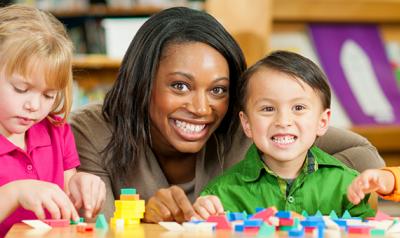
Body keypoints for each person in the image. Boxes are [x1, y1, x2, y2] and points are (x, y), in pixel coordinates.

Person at [70, 7, 383, 223]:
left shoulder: (251, 125)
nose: (201, 108)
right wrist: (145, 219)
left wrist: (304, 186)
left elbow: (365, 157)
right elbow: (100, 225)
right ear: (143, 81)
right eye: (180, 86)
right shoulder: (94, 130)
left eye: (218, 90)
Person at [194, 51, 375, 219]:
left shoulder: (350, 186)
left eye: (298, 108)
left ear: (322, 121)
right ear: (247, 124)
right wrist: (205, 222)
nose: (283, 121)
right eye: (268, 109)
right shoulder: (220, 195)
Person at [0, 4, 105, 236]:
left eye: (49, 95)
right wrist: (15, 193)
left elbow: (68, 206)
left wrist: (80, 186)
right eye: (20, 89)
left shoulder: (56, 130)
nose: (34, 106)